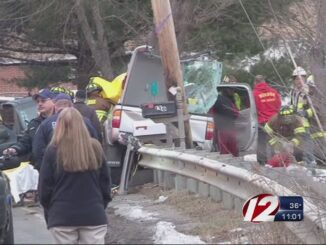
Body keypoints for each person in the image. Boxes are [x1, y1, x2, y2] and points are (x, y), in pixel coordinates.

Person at [39, 107, 111, 244]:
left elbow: (45, 187)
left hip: (62, 215)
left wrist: (51, 210)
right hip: (93, 214)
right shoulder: (95, 147)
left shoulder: (53, 150)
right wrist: (100, 204)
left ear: (59, 126)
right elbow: (105, 183)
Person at [33, 93, 99, 171]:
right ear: (72, 106)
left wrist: (46, 169)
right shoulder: (85, 121)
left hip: (57, 171)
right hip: (83, 168)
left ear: (55, 106)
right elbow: (96, 143)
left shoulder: (46, 123)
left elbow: (38, 150)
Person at [3, 89, 56, 165]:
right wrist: (14, 149)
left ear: (53, 101)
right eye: (38, 102)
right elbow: (25, 142)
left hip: (57, 167)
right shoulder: (34, 123)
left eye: (43, 101)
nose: (40, 104)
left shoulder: (60, 121)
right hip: (39, 167)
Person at [290, 67, 325, 164]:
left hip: (311, 124)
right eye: (296, 79)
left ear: (305, 78)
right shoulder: (293, 92)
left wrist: (306, 113)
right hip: (297, 123)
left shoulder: (311, 90)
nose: (298, 81)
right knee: (299, 149)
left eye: (301, 78)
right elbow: (294, 105)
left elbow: (318, 107)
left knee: (311, 148)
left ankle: (314, 165)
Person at [253, 75, 282, 165]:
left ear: (256, 82)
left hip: (262, 120)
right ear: (264, 81)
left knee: (262, 142)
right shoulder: (274, 91)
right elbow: (279, 105)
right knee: (273, 141)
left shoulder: (254, 93)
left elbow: (254, 108)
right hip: (274, 120)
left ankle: (262, 162)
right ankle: (274, 161)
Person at [211, 87, 239, 157]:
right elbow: (237, 114)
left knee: (224, 153)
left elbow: (212, 114)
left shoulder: (216, 100)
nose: (233, 92)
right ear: (226, 90)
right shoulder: (228, 100)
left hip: (223, 130)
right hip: (229, 129)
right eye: (231, 89)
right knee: (233, 152)